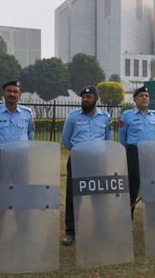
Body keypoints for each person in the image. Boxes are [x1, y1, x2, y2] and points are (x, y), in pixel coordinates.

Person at [61, 85, 113, 246]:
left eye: (88, 97)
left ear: (96, 99)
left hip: (98, 161)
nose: (85, 99)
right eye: (83, 97)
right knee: (73, 196)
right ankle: (71, 231)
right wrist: (81, 151)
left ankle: (100, 229)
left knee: (99, 196)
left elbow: (108, 139)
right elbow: (66, 139)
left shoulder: (105, 117)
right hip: (78, 160)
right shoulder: (73, 117)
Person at [0, 80, 34, 247]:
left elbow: (30, 134)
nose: (12, 94)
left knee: (21, 195)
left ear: (20, 94)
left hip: (20, 160)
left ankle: (23, 232)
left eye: (15, 91)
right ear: (3, 93)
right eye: (9, 91)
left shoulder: (27, 113)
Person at [118, 86, 155, 218]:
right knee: (132, 186)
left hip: (150, 153)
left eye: (146, 96)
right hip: (133, 152)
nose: (144, 98)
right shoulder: (127, 115)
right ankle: (127, 216)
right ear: (135, 99)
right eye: (141, 95)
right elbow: (122, 137)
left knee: (152, 185)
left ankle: (153, 217)